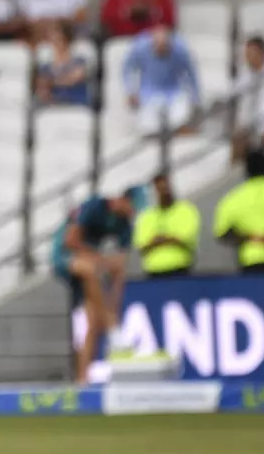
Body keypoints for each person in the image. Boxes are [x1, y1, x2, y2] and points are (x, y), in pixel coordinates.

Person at [50, 186, 147, 383]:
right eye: (132, 208)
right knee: (91, 269)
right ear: (123, 200)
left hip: (90, 263)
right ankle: (113, 330)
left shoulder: (125, 226)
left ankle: (82, 379)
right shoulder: (95, 206)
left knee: (93, 323)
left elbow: (119, 269)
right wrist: (102, 260)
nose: (133, 213)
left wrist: (113, 307)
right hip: (65, 255)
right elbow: (71, 241)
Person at [122, 26, 201, 137]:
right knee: (148, 122)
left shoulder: (180, 50)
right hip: (149, 92)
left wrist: (195, 98)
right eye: (158, 46)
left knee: (180, 111)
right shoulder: (140, 48)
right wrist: (131, 91)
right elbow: (128, 69)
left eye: (164, 46)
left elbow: (190, 74)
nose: (161, 49)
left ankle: (174, 129)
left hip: (173, 90)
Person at [132, 173, 200, 278]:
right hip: (154, 272)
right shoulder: (146, 216)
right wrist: (170, 238)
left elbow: (185, 239)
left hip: (180, 269)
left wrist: (158, 240)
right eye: (160, 189)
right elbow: (142, 245)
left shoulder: (186, 210)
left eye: (166, 188)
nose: (164, 192)